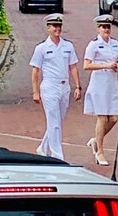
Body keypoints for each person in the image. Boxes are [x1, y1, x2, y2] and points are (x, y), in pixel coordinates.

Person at [30, 13, 82, 160]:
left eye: (59, 26)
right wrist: (35, 92)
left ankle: (43, 147)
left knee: (57, 121)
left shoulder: (68, 46)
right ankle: (57, 155)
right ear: (48, 28)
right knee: (54, 121)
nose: (57, 29)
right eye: (54, 26)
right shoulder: (41, 48)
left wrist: (78, 86)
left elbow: (73, 67)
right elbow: (35, 71)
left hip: (64, 86)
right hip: (49, 86)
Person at [83, 14, 118, 166]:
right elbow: (86, 65)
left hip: (111, 83)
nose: (106, 29)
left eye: (108, 27)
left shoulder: (114, 44)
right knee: (102, 117)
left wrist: (117, 65)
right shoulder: (93, 45)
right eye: (103, 27)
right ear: (98, 29)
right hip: (99, 83)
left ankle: (95, 140)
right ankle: (99, 151)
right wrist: (105, 65)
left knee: (113, 118)